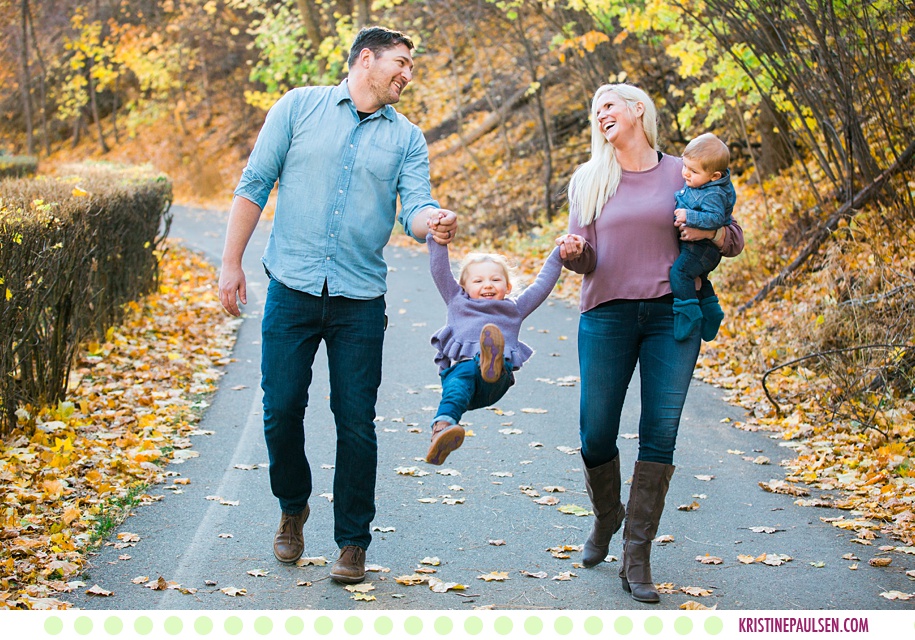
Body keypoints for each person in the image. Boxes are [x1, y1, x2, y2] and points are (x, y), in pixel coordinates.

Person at [217, 26, 457, 586]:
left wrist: (434, 222)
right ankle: (292, 505)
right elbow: (254, 183)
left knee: (355, 422)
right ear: (365, 59)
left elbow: (415, 209)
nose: (407, 74)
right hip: (292, 288)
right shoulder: (299, 107)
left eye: (412, 66)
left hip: (359, 301)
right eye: (400, 62)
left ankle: (352, 542)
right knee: (280, 410)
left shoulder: (407, 138)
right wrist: (231, 263)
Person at [559, 83, 744, 604]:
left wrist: (707, 236)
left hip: (672, 317)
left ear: (638, 109)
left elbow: (732, 237)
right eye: (595, 110)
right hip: (606, 314)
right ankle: (606, 516)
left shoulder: (682, 172)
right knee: (596, 432)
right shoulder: (590, 179)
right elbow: (588, 258)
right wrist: (575, 253)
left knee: (659, 434)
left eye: (609, 105)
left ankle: (636, 557)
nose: (600, 115)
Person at [423, 229, 579, 465]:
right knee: (457, 386)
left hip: (497, 382)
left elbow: (541, 285)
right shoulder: (457, 301)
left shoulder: (514, 309)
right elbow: (440, 271)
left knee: (473, 373)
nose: (488, 285)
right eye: (478, 281)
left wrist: (559, 255)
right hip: (463, 377)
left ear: (507, 286)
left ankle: (491, 362)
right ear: (463, 286)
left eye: (495, 280)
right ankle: (442, 431)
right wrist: (437, 240)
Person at [669, 132, 737, 342]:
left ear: (715, 176)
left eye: (693, 171)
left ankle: (688, 314)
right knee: (700, 278)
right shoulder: (703, 184)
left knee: (679, 273)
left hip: (703, 248)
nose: (686, 174)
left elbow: (716, 217)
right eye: (685, 166)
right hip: (700, 249)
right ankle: (711, 308)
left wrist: (689, 215)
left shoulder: (712, 193)